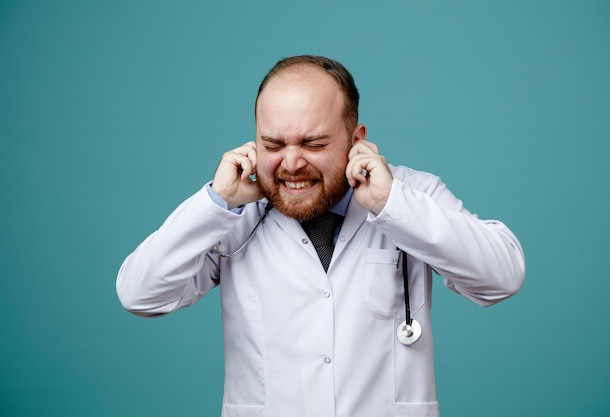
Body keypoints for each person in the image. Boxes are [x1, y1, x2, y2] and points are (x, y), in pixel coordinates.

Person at [116, 55, 525, 417]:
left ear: (356, 139)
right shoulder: (233, 215)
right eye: (273, 144)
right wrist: (217, 203)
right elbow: (140, 294)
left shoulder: (410, 195)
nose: (291, 163)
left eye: (313, 143)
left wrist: (392, 204)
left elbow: (501, 276)